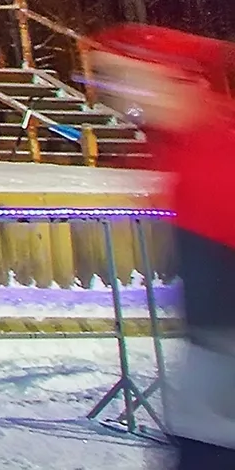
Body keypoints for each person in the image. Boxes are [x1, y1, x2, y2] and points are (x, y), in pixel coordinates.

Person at [92, 24, 235, 470]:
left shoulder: (221, 155)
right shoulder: (178, 149)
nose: (123, 99)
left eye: (130, 81)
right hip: (209, 361)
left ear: (181, 81)